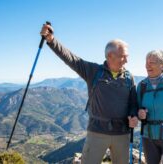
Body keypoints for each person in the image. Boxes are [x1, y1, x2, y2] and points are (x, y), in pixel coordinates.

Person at [40, 24, 138, 164]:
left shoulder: (129, 77)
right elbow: (71, 59)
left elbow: (133, 102)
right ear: (110, 56)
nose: (127, 60)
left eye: (127, 57)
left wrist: (133, 115)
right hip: (97, 133)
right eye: (123, 57)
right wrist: (51, 39)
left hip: (122, 134)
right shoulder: (93, 71)